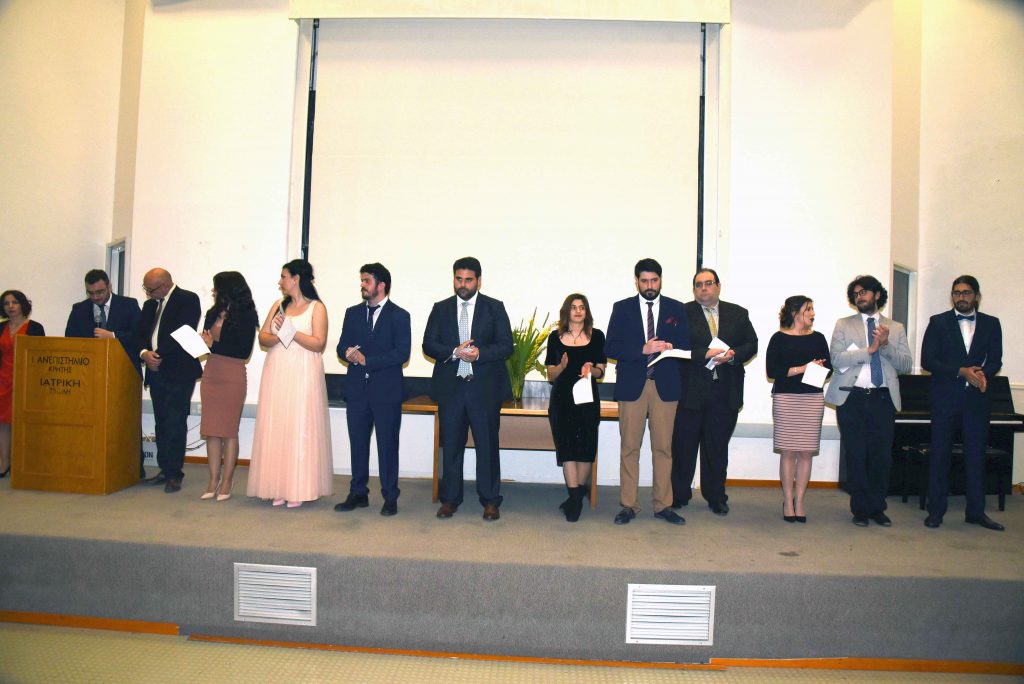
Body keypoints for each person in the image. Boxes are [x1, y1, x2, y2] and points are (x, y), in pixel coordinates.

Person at [422, 257, 513, 521]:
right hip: (451, 389)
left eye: (468, 280)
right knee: (451, 445)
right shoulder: (440, 309)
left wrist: (480, 354)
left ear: (479, 281)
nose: (463, 285)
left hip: (483, 390)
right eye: (458, 279)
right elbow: (428, 344)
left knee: (487, 446)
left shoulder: (494, 308)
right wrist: (454, 351)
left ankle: (490, 500)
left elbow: (506, 345)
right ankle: (450, 499)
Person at [605, 258, 690, 525]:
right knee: (629, 448)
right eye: (644, 281)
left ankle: (663, 505)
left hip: (666, 386)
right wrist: (642, 349)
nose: (649, 285)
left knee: (663, 448)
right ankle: (629, 505)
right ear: (636, 282)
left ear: (661, 280)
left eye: (654, 280)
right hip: (633, 386)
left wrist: (671, 347)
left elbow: (687, 345)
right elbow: (610, 347)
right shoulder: (622, 308)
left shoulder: (676, 308)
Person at [825, 276, 912, 527]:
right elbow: (836, 359)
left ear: (877, 294)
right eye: (855, 294)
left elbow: (905, 365)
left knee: (881, 456)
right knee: (856, 454)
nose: (859, 296)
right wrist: (869, 351)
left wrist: (884, 346)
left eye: (863, 292)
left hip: (883, 399)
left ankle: (877, 508)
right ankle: (860, 509)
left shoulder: (895, 328)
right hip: (852, 397)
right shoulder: (844, 324)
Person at [247, 259, 333, 508]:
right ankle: (279, 485)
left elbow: (318, 343)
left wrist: (291, 332)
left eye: (284, 276)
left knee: (300, 426)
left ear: (296, 279)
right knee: (279, 425)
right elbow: (263, 337)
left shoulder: (317, 308)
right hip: (278, 369)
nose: (280, 281)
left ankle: (299, 487)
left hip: (303, 371)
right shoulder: (279, 305)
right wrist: (278, 335)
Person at [671, 268, 757, 516]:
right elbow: (675, 347)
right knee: (684, 447)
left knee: (717, 448)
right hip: (690, 391)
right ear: (694, 290)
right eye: (698, 285)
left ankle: (716, 496)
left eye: (708, 283)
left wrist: (733, 355)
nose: (704, 288)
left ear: (718, 286)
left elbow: (751, 344)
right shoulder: (682, 313)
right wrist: (703, 354)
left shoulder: (738, 313)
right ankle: (679, 494)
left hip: (725, 391)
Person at [921, 275, 1004, 531]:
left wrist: (982, 374)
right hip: (945, 400)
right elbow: (927, 360)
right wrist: (961, 371)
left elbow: (996, 359)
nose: (961, 297)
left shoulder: (991, 323)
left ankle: (976, 512)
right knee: (940, 455)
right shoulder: (938, 322)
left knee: (976, 457)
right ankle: (936, 512)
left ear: (976, 296)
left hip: (977, 400)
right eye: (956, 293)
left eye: (966, 293)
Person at [334, 263, 411, 517]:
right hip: (357, 390)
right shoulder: (353, 313)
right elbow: (341, 346)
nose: (362, 285)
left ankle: (390, 496)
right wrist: (347, 352)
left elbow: (402, 353)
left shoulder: (400, 316)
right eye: (362, 280)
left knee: (387, 445)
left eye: (366, 281)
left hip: (386, 391)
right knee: (358, 444)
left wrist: (368, 360)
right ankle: (358, 493)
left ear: (381, 285)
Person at [765, 296, 831, 523]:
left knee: (806, 452)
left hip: (812, 399)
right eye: (808, 309)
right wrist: (803, 368)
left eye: (812, 309)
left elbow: (829, 368)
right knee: (788, 451)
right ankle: (788, 501)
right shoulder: (779, 338)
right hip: (786, 398)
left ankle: (800, 502)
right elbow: (773, 371)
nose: (812, 313)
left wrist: (819, 368)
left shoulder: (818, 338)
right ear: (794, 313)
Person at [136, 269, 202, 493]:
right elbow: (140, 334)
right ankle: (164, 469)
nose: (147, 293)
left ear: (165, 285)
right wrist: (145, 353)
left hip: (178, 371)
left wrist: (157, 355)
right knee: (161, 422)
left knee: (175, 422)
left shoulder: (187, 299)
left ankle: (174, 473)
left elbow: (183, 332)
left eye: (151, 289)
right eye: (146, 288)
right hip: (155, 371)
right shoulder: (149, 305)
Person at [544, 293, 606, 522]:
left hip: (587, 400)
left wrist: (592, 369)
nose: (578, 311)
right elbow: (551, 375)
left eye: (582, 307)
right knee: (568, 449)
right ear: (566, 311)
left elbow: (601, 371)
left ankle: (575, 498)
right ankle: (574, 499)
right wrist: (561, 366)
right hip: (563, 400)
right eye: (573, 307)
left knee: (586, 450)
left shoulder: (597, 336)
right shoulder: (555, 337)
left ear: (586, 311)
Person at [198, 271, 258, 502]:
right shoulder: (212, 312)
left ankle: (227, 481)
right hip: (211, 373)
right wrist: (202, 343)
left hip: (232, 374)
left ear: (228, 289)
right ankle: (213, 480)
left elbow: (242, 352)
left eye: (216, 287)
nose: (213, 291)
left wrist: (212, 345)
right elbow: (208, 342)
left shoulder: (246, 315)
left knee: (229, 431)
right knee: (211, 430)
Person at [0, 290, 45, 478]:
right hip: (3, 379)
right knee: (3, 423)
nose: (10, 306)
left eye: (15, 302)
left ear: (23, 305)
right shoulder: (1, 327)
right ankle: (4, 463)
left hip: (25, 380)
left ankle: (22, 464)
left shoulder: (35, 328)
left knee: (23, 422)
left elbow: (41, 357)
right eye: (6, 303)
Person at [64, 269, 142, 362]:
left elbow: (139, 336)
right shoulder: (79, 309)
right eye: (90, 293)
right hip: (91, 365)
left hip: (123, 364)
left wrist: (113, 335)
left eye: (99, 292)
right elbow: (70, 341)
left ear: (109, 287)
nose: (95, 297)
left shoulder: (129, 305)